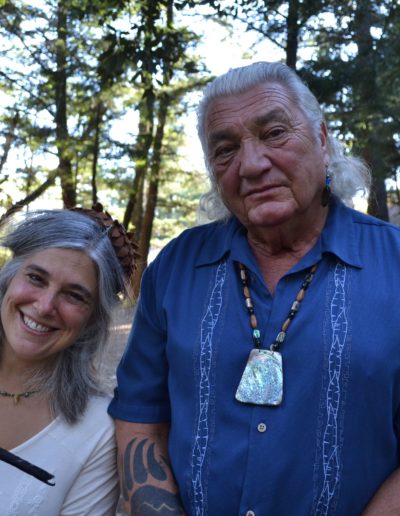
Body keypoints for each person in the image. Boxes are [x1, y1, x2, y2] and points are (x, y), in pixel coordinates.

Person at [109, 61, 400, 515]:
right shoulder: (176, 268)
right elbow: (140, 417)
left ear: (322, 140)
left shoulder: (395, 264)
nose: (251, 164)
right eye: (224, 150)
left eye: (275, 133)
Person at [0, 203, 137, 515]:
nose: (46, 305)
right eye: (36, 278)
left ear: (92, 318)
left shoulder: (97, 429)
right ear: (10, 277)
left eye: (75, 295)